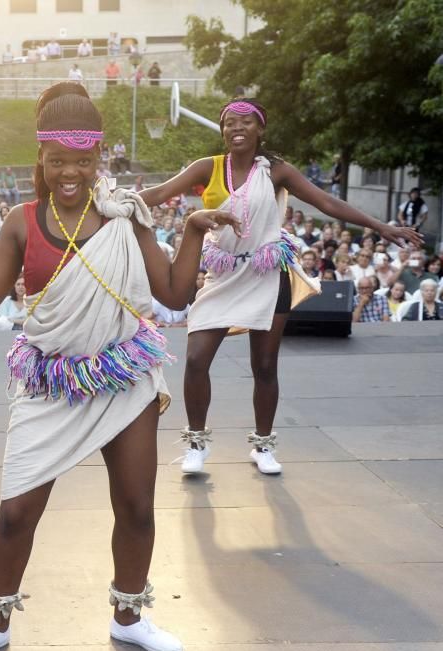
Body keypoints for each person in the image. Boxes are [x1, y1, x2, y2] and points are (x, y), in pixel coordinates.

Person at [0, 82, 236, 651]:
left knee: (136, 507)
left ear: (98, 157)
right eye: (57, 160)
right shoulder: (19, 221)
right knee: (15, 514)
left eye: (82, 161)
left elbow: (175, 293)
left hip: (122, 376)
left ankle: (130, 616)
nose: (70, 172)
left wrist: (191, 230)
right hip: (51, 382)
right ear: (41, 157)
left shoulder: (125, 215)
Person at [140, 97, 422, 476]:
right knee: (195, 359)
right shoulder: (207, 167)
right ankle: (196, 443)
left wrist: (380, 227)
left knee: (265, 365)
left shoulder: (275, 170)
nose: (236, 129)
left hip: (268, 276)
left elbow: (325, 202)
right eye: (229, 123)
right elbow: (156, 194)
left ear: (260, 129)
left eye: (245, 123)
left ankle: (263, 444)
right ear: (222, 130)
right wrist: (103, 205)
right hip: (223, 276)